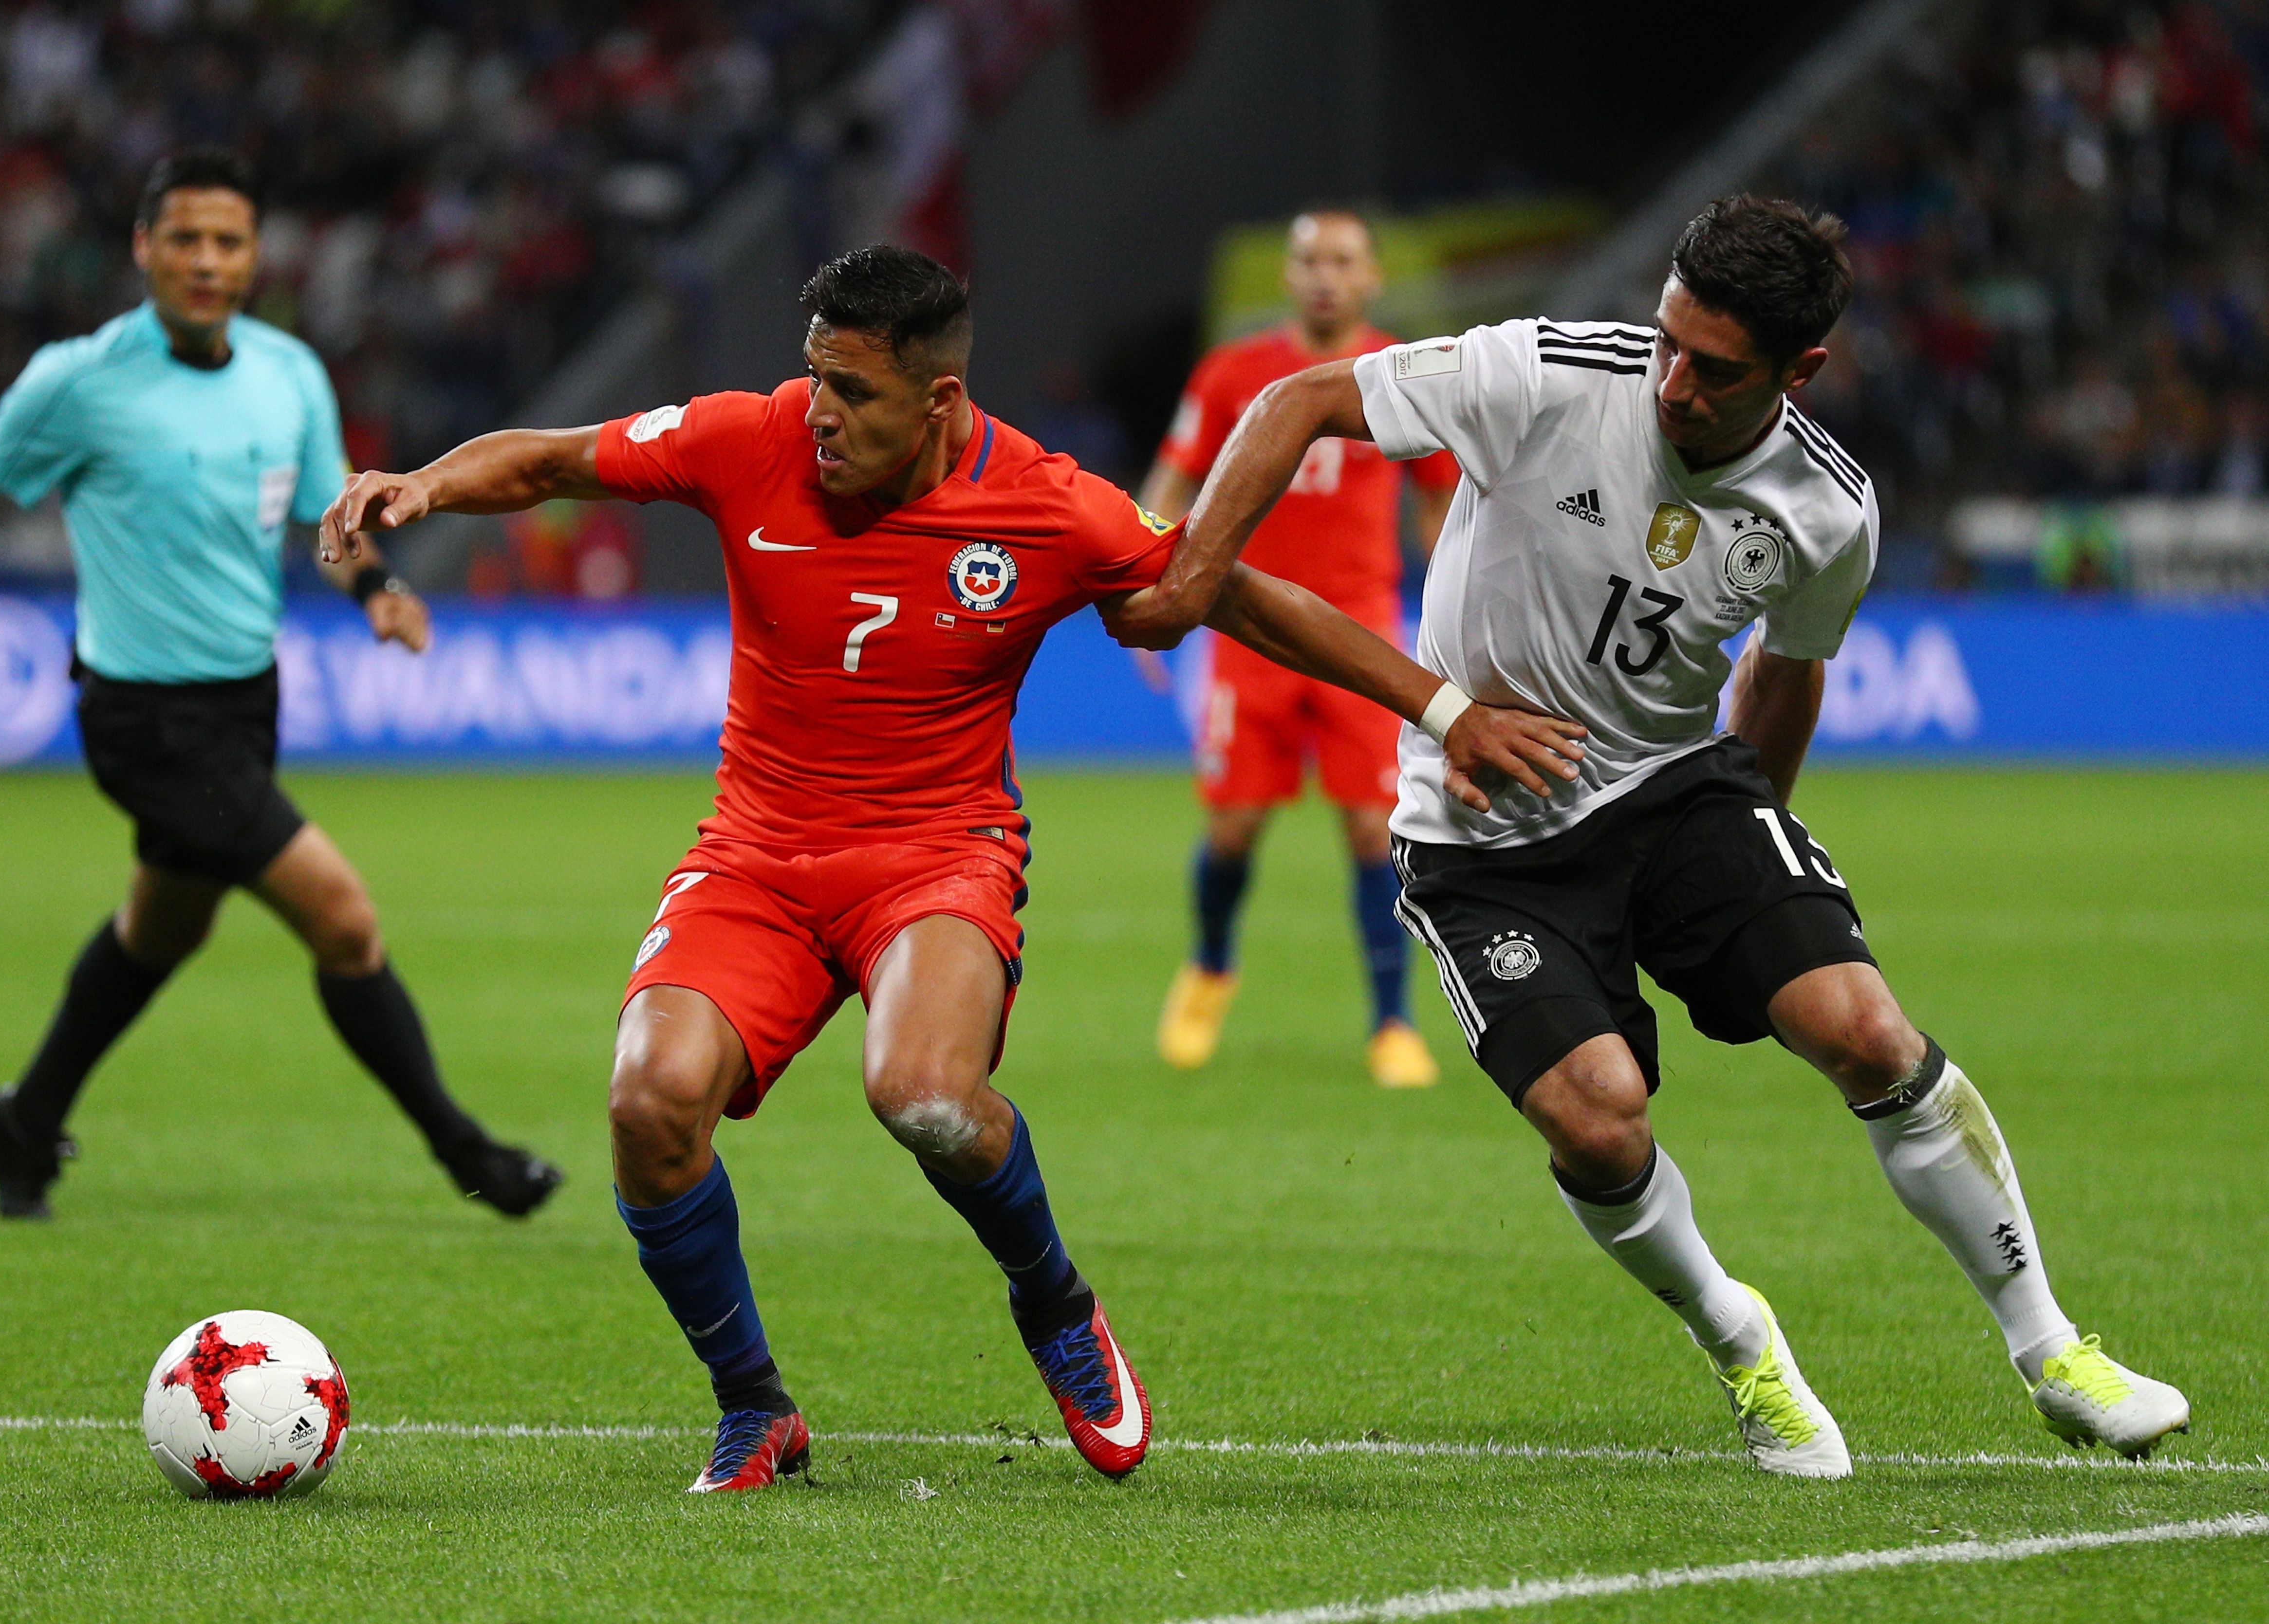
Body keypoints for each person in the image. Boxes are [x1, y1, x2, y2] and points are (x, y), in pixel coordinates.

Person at [319, 245, 1523, 1493]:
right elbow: (557, 456)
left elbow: (1247, 601)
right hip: (757, 852)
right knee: (648, 1104)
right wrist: (426, 485)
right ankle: (755, 1407)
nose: (819, 415)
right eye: (813, 379)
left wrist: (1442, 711)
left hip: (938, 855)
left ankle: (1056, 1304)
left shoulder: (1057, 509)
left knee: (924, 1095)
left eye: (853, 393)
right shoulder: (750, 439)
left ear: (939, 401)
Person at [1111, 196, 2188, 1476]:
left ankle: (2052, 1348)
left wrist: (1756, 877)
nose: (1671, 382)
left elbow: (1785, 676)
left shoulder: (1827, 512)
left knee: (1864, 1031)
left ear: (1801, 373)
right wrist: (1192, 585)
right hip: (1480, 838)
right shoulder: (1543, 372)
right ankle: (1743, 1346)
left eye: (1712, 369)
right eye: (1666, 341)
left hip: (1676, 792)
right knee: (1598, 1120)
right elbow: (1296, 403)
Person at [0, 148, 561, 1223]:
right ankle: (470, 1155)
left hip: (245, 705)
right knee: (343, 921)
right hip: (143, 717)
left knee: (162, 931)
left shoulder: (288, 372)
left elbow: (327, 522)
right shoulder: (81, 379)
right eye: (187, 240)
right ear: (144, 249)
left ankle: (27, 1117)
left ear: (255, 256)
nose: (209, 262)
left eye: (230, 242)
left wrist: (380, 593)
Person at [1143, 211, 1459, 1089]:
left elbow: (1441, 507)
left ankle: (1393, 1023)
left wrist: (1457, 612)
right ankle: (1210, 965)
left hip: (1359, 630)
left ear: (1372, 278)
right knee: (1234, 828)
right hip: (1248, 627)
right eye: (1310, 260)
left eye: (1343, 261)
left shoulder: (1406, 375)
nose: (1325, 275)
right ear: (1288, 277)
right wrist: (1142, 578)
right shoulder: (1233, 373)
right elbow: (1171, 483)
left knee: (1373, 829)